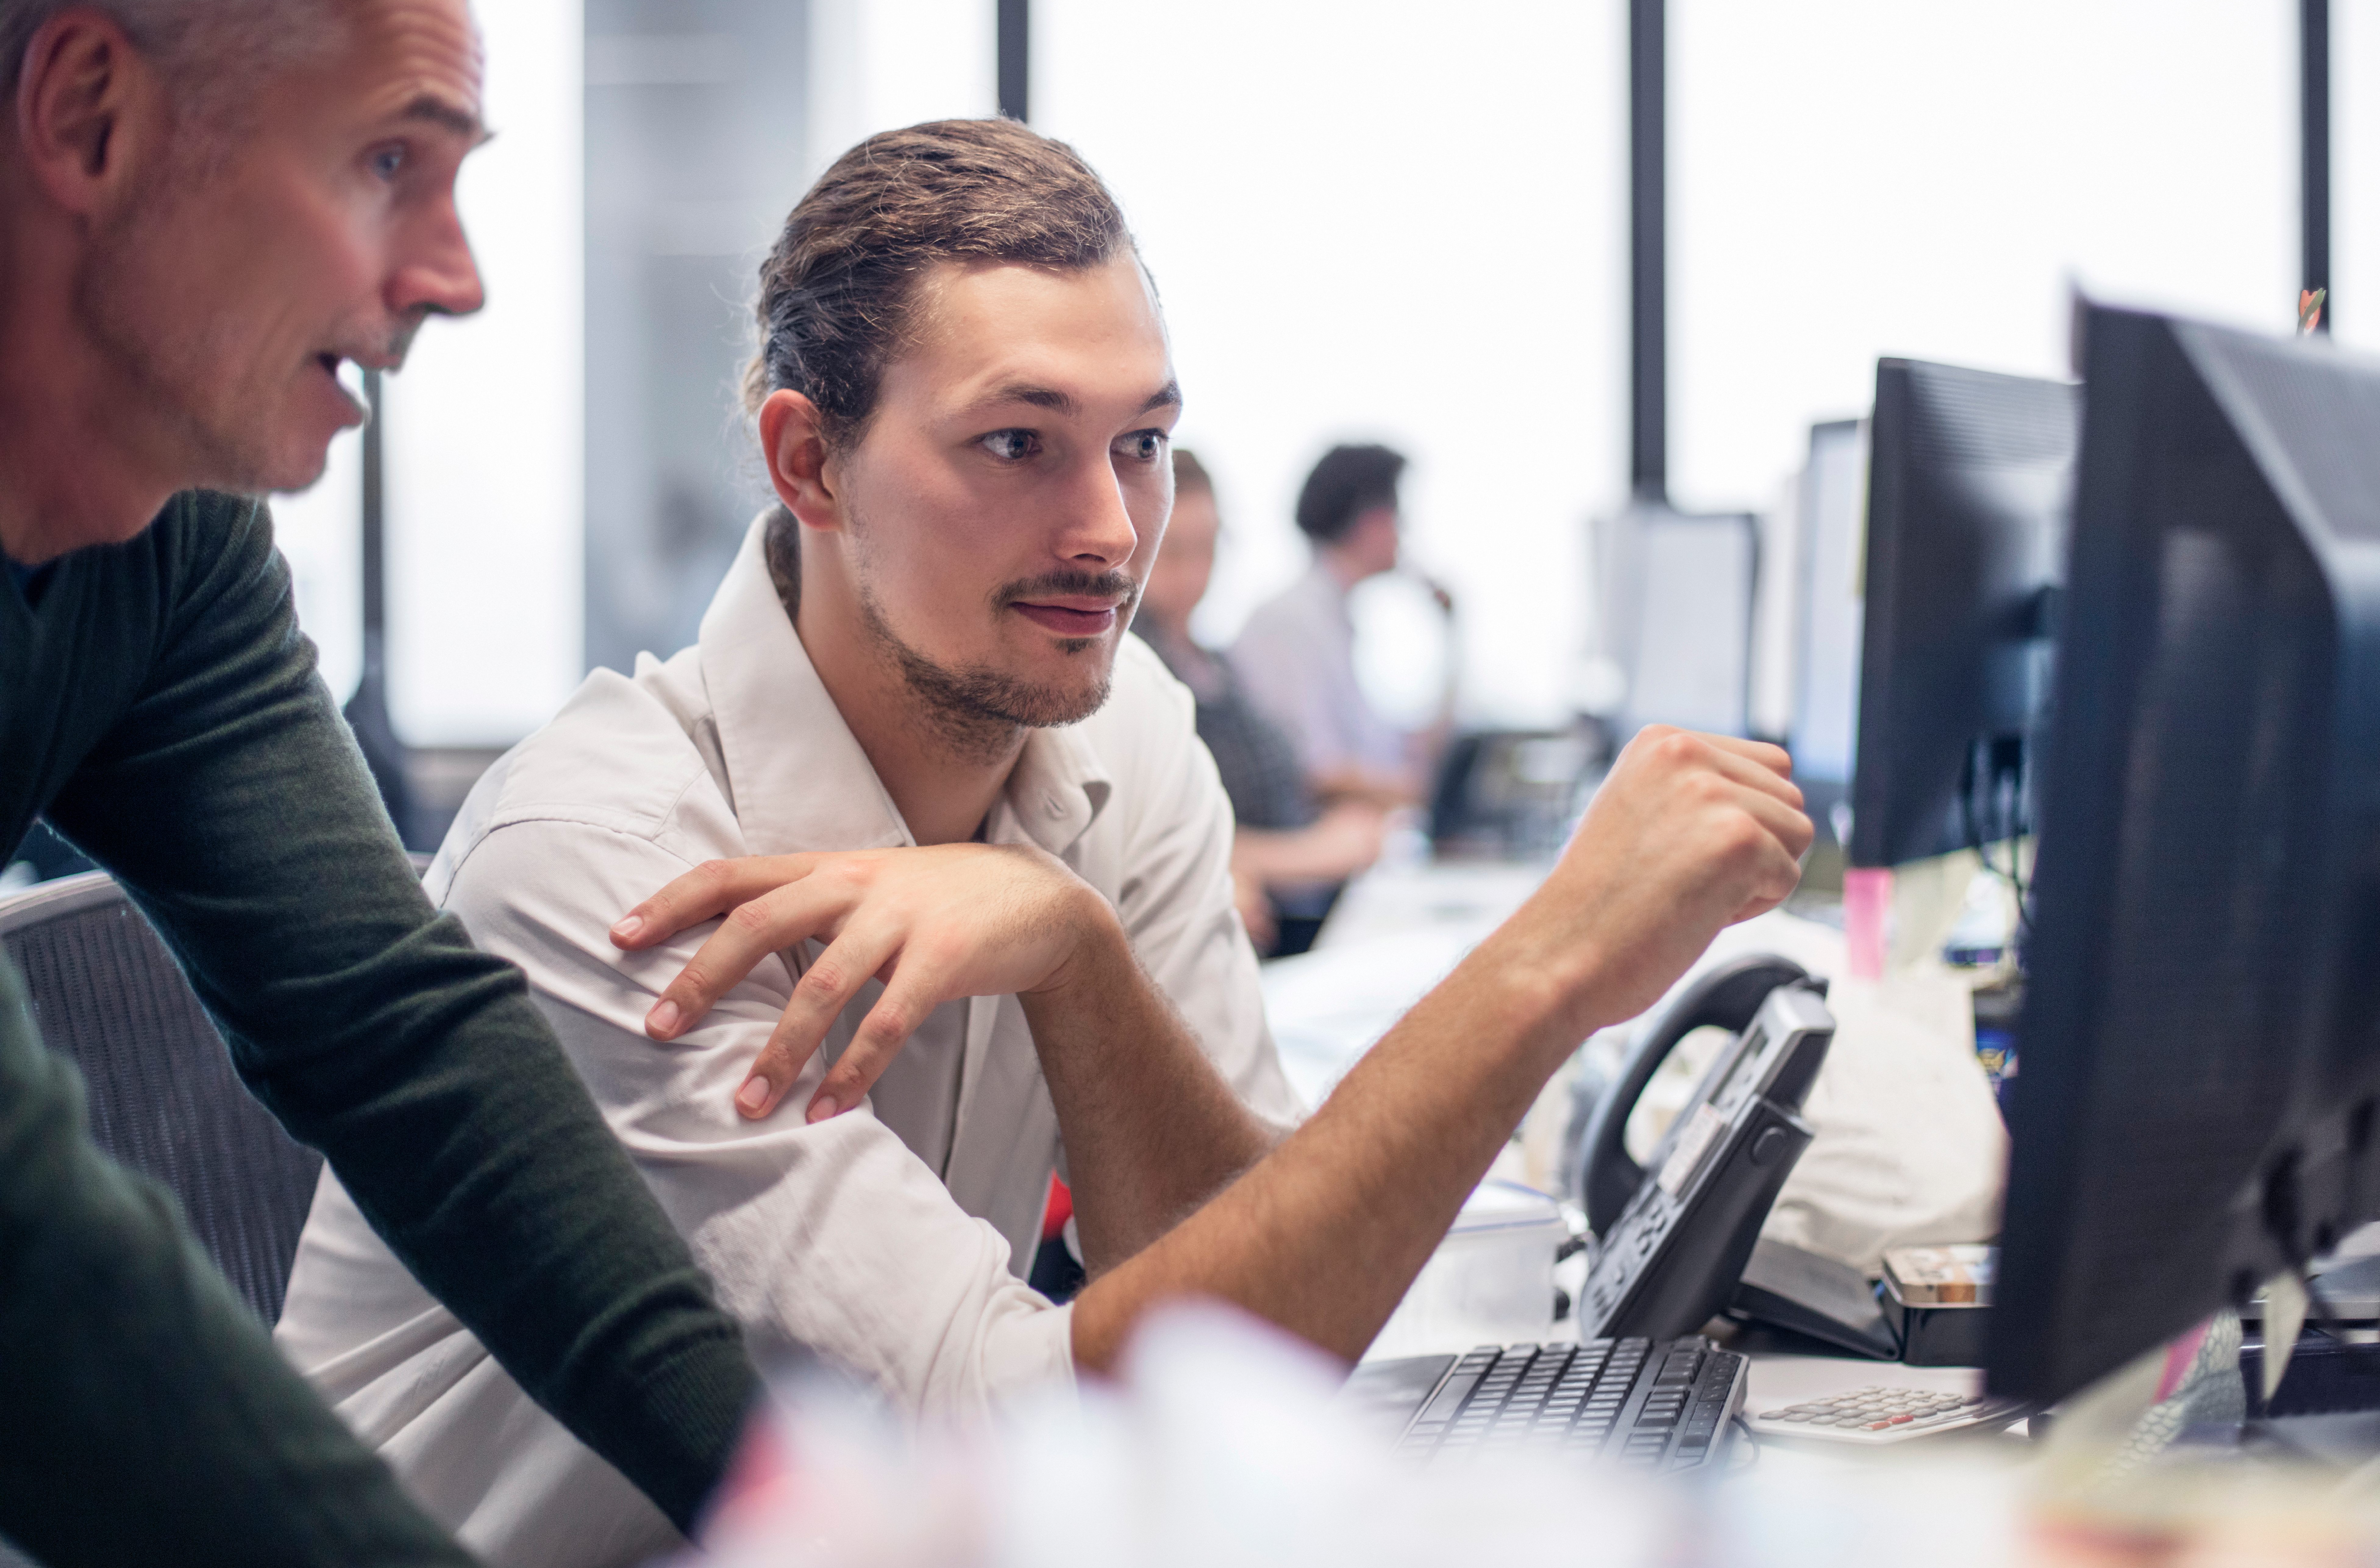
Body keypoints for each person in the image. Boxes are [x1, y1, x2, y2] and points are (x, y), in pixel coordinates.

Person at [277, 119, 1815, 1563]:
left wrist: (1072, 952)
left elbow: (1240, 1317)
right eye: (1018, 444)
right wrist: (1544, 966)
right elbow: (1013, 1430)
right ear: (807, 463)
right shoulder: (609, 865)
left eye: (1140, 444)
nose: (1108, 530)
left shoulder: (1117, 725)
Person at [0, 0, 759, 1562]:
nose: (453, 274)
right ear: (89, 117)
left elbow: (396, 1032)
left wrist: (773, 1500)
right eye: (383, 164)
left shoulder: (165, 542)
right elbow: (29, 1258)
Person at [1132, 447, 1385, 952]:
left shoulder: (1215, 662)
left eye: (1209, 550)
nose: (1195, 575)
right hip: (1252, 926)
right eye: (1174, 552)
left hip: (1296, 909)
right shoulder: (1135, 668)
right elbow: (1155, 840)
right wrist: (1319, 852)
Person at [1229, 442, 1448, 811]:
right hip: (1310, 850)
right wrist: (1418, 794)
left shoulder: (1334, 618)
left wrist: (1450, 631)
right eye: (1399, 515)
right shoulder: (1290, 621)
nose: (1404, 532)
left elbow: (1391, 751)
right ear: (1371, 520)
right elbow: (1314, 770)